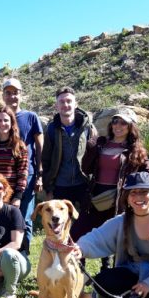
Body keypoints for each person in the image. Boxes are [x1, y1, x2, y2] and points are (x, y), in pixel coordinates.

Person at [80, 108, 149, 270]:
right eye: (115, 121)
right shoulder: (101, 143)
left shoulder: (135, 150)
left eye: (123, 123)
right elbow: (86, 168)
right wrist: (91, 149)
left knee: (115, 234)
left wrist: (134, 188)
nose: (118, 126)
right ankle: (79, 271)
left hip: (119, 197)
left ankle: (108, 270)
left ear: (130, 127)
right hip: (96, 195)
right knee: (78, 231)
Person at [42, 87, 98, 240]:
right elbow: (45, 160)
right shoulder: (52, 130)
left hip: (84, 183)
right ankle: (69, 260)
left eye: (69, 101)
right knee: (64, 226)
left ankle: (102, 262)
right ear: (56, 106)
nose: (65, 105)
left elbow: (96, 155)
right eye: (62, 102)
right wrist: (48, 188)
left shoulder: (88, 127)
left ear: (75, 104)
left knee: (89, 222)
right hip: (61, 185)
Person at [2, 78, 43, 247]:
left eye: (15, 93)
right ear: (3, 96)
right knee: (7, 216)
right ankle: (9, 252)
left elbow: (40, 146)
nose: (12, 97)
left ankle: (24, 253)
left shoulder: (31, 117)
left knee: (25, 217)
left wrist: (40, 174)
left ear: (21, 94)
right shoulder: (1, 117)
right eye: (8, 93)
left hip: (28, 174)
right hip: (5, 176)